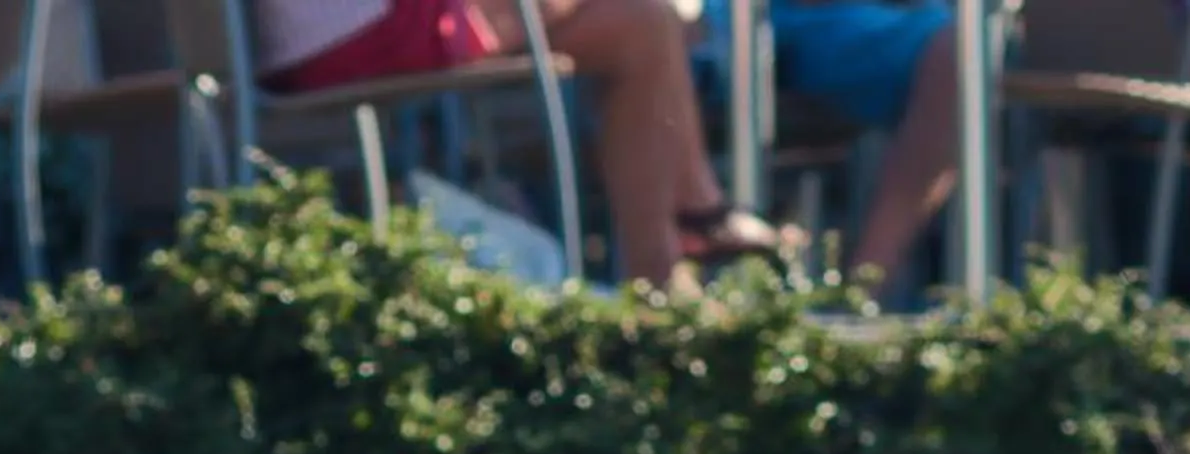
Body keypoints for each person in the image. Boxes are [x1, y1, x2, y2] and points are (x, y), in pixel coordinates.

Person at [252, 0, 782, 290]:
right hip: (358, 35)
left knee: (644, 22)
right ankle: (672, 258)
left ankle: (680, 239)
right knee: (648, 22)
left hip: (316, 36)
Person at [696, 2, 961, 300]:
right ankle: (667, 289)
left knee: (959, 49)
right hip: (722, 16)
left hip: (859, 19)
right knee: (665, 30)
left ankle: (864, 290)